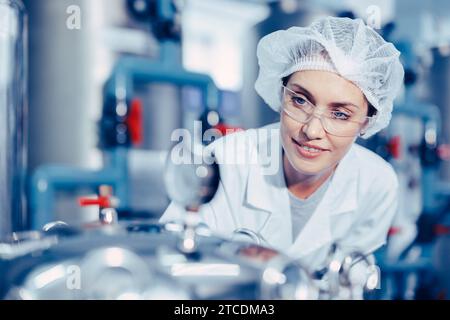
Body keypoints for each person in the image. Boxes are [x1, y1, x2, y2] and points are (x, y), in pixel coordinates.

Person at [160, 16, 404, 282]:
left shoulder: (377, 184)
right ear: (281, 94)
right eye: (300, 100)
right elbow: (169, 266)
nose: (311, 130)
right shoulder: (225, 162)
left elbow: (348, 281)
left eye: (340, 115)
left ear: (367, 124)